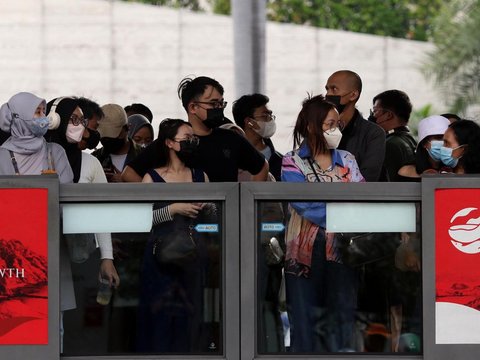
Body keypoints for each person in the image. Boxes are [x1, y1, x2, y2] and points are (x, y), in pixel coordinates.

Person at [281, 94, 364, 352]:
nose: (334, 129)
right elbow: (304, 205)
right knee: (304, 321)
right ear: (311, 126)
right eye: (329, 124)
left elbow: (362, 198)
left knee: (341, 319)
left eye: (337, 124)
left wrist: (340, 211)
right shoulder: (291, 161)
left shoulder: (347, 160)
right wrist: (342, 214)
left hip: (343, 251)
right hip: (302, 255)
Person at [136, 119, 216, 352]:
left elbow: (214, 218)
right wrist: (172, 209)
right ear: (170, 143)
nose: (192, 142)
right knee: (159, 317)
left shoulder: (201, 176)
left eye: (194, 138)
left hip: (193, 257)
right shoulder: (152, 177)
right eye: (186, 138)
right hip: (160, 259)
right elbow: (141, 220)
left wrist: (207, 207)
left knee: (191, 317)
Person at [121, 76, 269, 182]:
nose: (218, 108)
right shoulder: (171, 142)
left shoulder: (231, 138)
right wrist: (162, 200)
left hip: (224, 220)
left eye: (221, 103)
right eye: (213, 103)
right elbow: (129, 173)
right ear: (193, 107)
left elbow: (262, 166)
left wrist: (245, 202)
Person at [325, 70, 385, 181]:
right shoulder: (318, 128)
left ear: (353, 95)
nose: (328, 94)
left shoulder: (373, 134)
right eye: (327, 89)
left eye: (334, 89)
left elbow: (368, 178)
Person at [0, 92, 73, 182]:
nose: (44, 117)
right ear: (19, 118)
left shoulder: (56, 152)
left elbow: (66, 191)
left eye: (44, 111)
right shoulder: (2, 156)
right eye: (38, 112)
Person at [232, 93, 283, 181]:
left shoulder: (280, 160)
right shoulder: (230, 156)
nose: (270, 120)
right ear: (249, 122)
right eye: (265, 115)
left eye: (270, 115)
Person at [370, 90, 417, 181]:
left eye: (375, 111)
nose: (372, 116)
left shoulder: (390, 144)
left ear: (388, 115)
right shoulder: (410, 139)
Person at [93, 104, 143, 182]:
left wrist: (129, 181)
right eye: (105, 137)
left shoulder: (144, 156)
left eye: (113, 135)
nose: (109, 140)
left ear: (128, 128)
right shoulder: (94, 159)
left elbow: (156, 188)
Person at [398, 115, 451, 179]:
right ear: (424, 143)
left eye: (446, 138)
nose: (443, 142)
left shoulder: (457, 169)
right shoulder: (406, 171)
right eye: (438, 137)